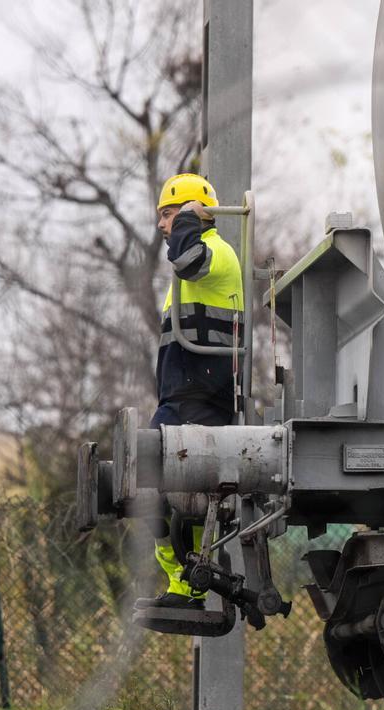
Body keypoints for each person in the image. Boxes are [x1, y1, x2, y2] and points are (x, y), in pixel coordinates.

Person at [136, 173, 244, 611]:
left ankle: (189, 584)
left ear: (188, 211)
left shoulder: (213, 253)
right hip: (184, 397)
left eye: (167, 214)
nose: (162, 225)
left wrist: (186, 223)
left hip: (200, 397)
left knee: (170, 486)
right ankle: (183, 583)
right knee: (170, 494)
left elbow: (188, 260)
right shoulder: (196, 259)